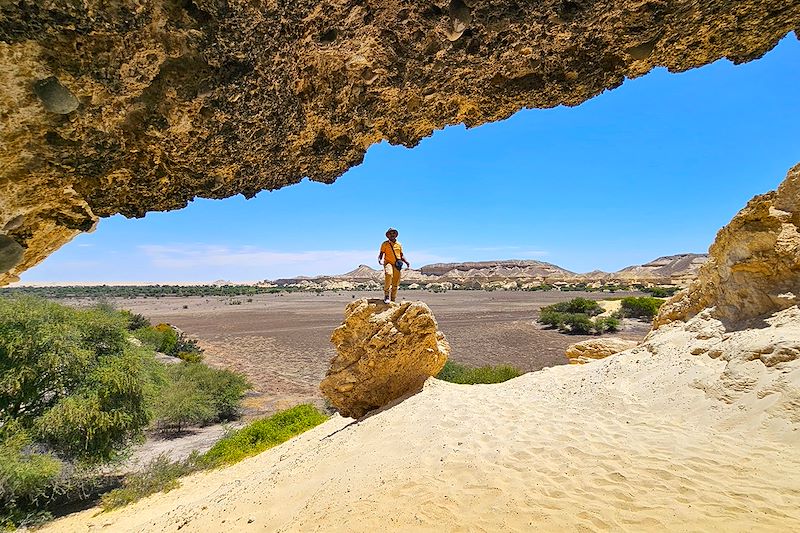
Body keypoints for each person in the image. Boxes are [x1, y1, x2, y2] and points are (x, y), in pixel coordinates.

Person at [378, 228, 410, 304]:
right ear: (388, 235)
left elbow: (401, 255)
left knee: (395, 283)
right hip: (388, 263)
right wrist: (380, 259)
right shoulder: (385, 244)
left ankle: (393, 299)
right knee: (389, 274)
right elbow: (381, 253)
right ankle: (386, 295)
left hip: (397, 264)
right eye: (390, 233)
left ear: (396, 235)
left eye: (393, 233)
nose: (392, 235)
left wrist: (406, 262)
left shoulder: (399, 244)